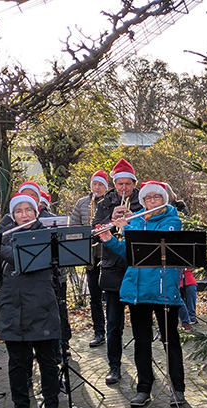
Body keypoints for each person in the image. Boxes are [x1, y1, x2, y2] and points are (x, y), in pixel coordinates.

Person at [98, 180, 185, 407]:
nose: (152, 202)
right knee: (141, 342)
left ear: (164, 200)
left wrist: (127, 226)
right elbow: (128, 254)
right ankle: (144, 388)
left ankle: (178, 388)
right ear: (143, 201)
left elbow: (156, 245)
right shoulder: (137, 222)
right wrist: (109, 239)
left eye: (156, 198)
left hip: (162, 290)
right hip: (137, 291)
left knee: (170, 342)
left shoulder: (171, 221)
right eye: (148, 199)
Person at [0, 192, 63, 408]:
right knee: (17, 363)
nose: (23, 215)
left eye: (28, 210)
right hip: (12, 305)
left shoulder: (47, 235)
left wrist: (1, 248)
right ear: (12, 215)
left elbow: (24, 258)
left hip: (41, 305)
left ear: (36, 213)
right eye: (18, 211)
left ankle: (52, 405)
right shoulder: (4, 236)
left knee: (47, 360)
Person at [93, 158, 142, 385]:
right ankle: (114, 365)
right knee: (113, 323)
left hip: (136, 269)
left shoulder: (143, 202)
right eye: (120, 183)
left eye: (128, 184)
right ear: (115, 183)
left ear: (134, 183)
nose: (124, 188)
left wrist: (131, 223)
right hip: (112, 269)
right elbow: (95, 229)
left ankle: (144, 370)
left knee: (140, 323)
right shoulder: (104, 203)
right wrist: (112, 220)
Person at [72, 170, 110, 347]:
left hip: (108, 253)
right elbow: (72, 227)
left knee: (110, 296)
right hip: (90, 255)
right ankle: (98, 331)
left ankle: (112, 330)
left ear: (106, 187)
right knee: (94, 296)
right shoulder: (82, 204)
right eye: (94, 184)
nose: (97, 187)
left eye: (100, 184)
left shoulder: (111, 201)